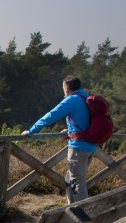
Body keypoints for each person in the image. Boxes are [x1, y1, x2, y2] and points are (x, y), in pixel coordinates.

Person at [22, 75, 97, 203]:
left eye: (63, 87)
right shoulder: (86, 97)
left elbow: (51, 116)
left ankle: (83, 215)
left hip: (78, 148)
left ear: (67, 87)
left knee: (77, 183)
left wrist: (31, 130)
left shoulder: (72, 100)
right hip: (91, 146)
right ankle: (72, 209)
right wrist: (70, 131)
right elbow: (85, 121)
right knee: (71, 178)